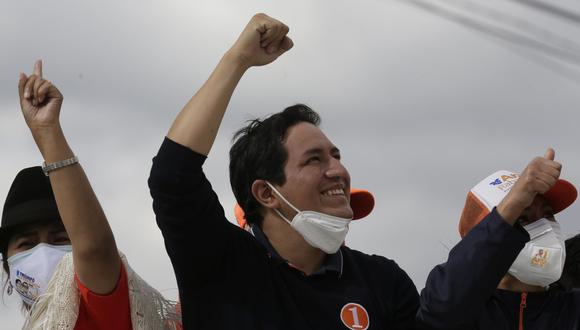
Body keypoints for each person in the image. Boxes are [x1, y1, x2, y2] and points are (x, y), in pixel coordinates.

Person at [148, 13, 419, 329]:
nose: (338, 171)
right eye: (314, 160)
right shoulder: (220, 263)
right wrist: (237, 60)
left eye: (336, 156)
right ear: (266, 193)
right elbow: (171, 176)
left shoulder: (384, 283)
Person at [0, 60, 180, 329]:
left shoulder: (101, 305)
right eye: (27, 244)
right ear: (7, 267)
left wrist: (48, 133)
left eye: (60, 238)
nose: (44, 251)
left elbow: (94, 248)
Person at [416, 150, 580, 329]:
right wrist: (514, 202)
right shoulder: (456, 309)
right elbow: (442, 308)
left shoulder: (573, 310)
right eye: (523, 218)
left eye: (548, 214)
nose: (545, 226)